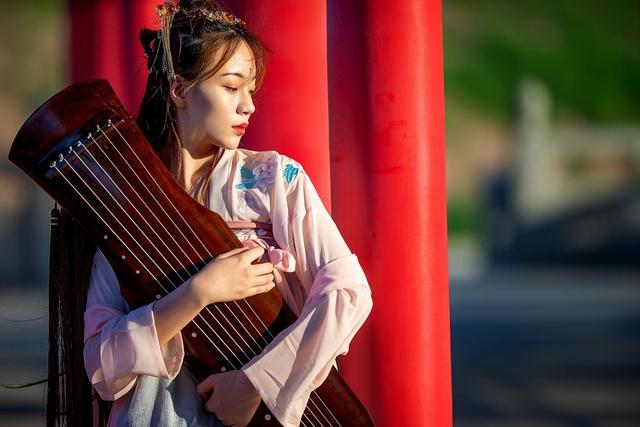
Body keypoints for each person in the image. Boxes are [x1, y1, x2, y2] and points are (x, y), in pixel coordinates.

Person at [75, 1, 373, 426]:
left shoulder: (274, 180)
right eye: (232, 87)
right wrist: (199, 292)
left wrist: (255, 384)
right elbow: (102, 367)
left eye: (251, 90)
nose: (248, 106)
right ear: (179, 90)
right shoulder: (132, 203)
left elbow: (347, 292)